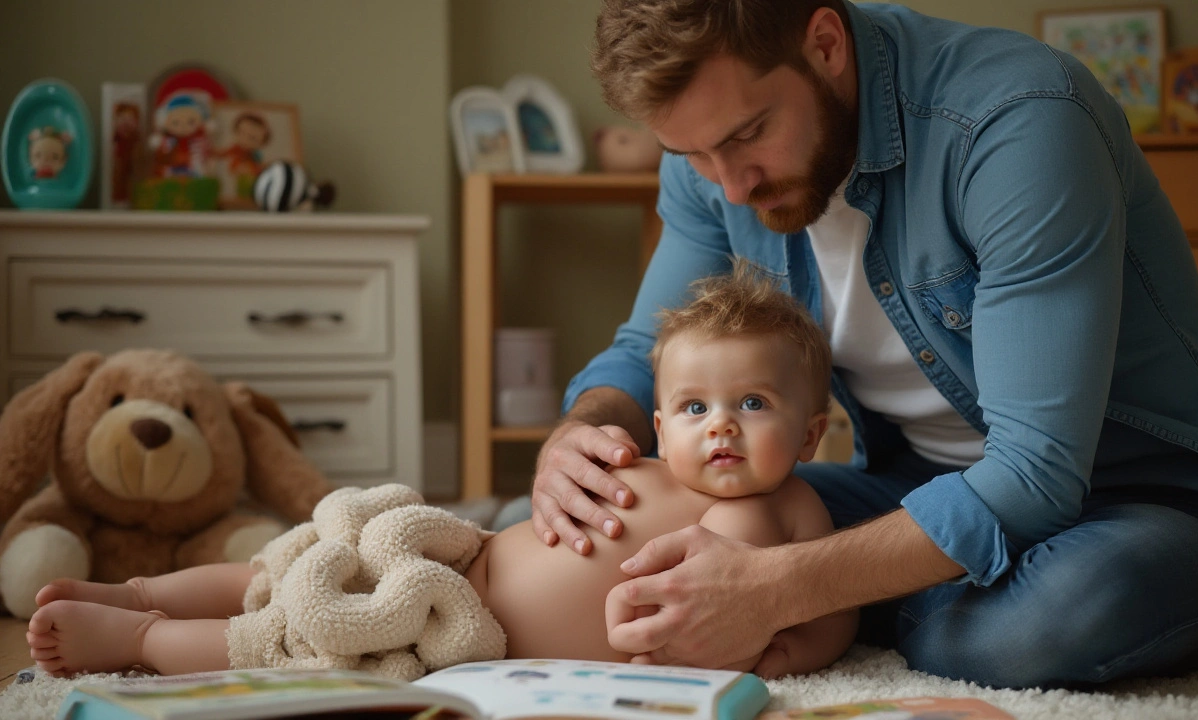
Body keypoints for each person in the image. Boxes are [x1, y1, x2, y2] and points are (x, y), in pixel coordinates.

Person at [530, 0, 1198, 690]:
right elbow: (643, 350)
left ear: (823, 45)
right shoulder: (709, 153)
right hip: (908, 487)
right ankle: (881, 597)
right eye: (691, 154)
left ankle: (869, 607)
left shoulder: (1017, 122)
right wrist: (579, 436)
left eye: (748, 135)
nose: (728, 186)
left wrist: (780, 585)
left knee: (1036, 626)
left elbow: (1036, 475)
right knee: (603, 535)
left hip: (1145, 502)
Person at [26, 262, 855, 680]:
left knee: (298, 638)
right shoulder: (644, 463)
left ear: (812, 432)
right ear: (661, 420)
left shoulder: (785, 517)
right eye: (694, 409)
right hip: (465, 551)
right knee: (286, 564)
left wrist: (792, 653)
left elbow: (829, 613)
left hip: (457, 631)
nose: (720, 429)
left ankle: (141, 639)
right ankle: (137, 591)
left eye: (752, 405)